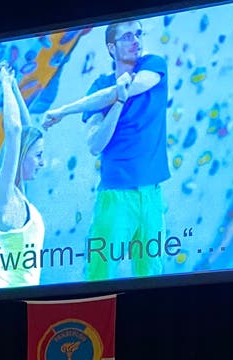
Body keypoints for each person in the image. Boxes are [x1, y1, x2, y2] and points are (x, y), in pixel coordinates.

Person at [43, 20, 169, 280]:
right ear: (111, 48)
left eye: (138, 34)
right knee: (99, 275)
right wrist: (118, 104)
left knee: (152, 278)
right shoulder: (98, 86)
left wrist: (64, 111)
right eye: (127, 37)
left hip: (151, 195)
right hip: (115, 197)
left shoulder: (154, 65)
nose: (135, 40)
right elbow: (94, 145)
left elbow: (127, 88)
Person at [0, 61, 46, 290]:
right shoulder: (6, 196)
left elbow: (26, 127)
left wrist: (16, 87)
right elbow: (15, 131)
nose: (42, 163)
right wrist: (5, 83)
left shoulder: (20, 194)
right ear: (21, 156)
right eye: (38, 156)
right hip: (1, 299)